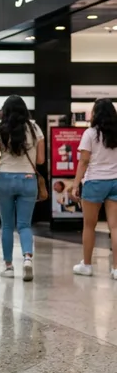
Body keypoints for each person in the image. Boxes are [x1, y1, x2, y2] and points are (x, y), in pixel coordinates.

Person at [0, 95, 44, 281]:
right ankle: (27, 257)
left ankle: (9, 266)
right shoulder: (35, 129)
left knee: (7, 225)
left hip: (5, 178)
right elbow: (41, 160)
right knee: (24, 224)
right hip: (28, 178)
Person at [71, 98, 117, 277]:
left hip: (94, 182)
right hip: (115, 182)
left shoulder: (90, 134)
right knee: (115, 227)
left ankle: (87, 265)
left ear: (95, 114)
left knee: (89, 226)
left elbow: (83, 161)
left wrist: (75, 184)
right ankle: (115, 269)